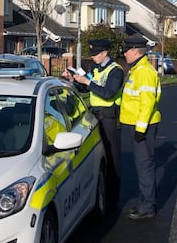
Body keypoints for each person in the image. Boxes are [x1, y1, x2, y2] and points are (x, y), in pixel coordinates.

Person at [62, 39, 124, 210]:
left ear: (105, 52)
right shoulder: (95, 68)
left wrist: (87, 82)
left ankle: (113, 201)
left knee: (112, 159)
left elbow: (108, 93)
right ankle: (100, 195)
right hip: (95, 116)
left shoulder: (116, 71)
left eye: (96, 54)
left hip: (110, 118)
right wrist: (74, 80)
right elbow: (85, 89)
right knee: (98, 157)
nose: (93, 57)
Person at [119, 34, 161, 219]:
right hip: (135, 123)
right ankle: (145, 202)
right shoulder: (138, 69)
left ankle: (147, 207)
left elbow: (147, 103)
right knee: (142, 166)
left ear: (135, 51)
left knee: (144, 167)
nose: (124, 54)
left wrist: (140, 129)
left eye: (126, 51)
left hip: (142, 126)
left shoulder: (144, 72)